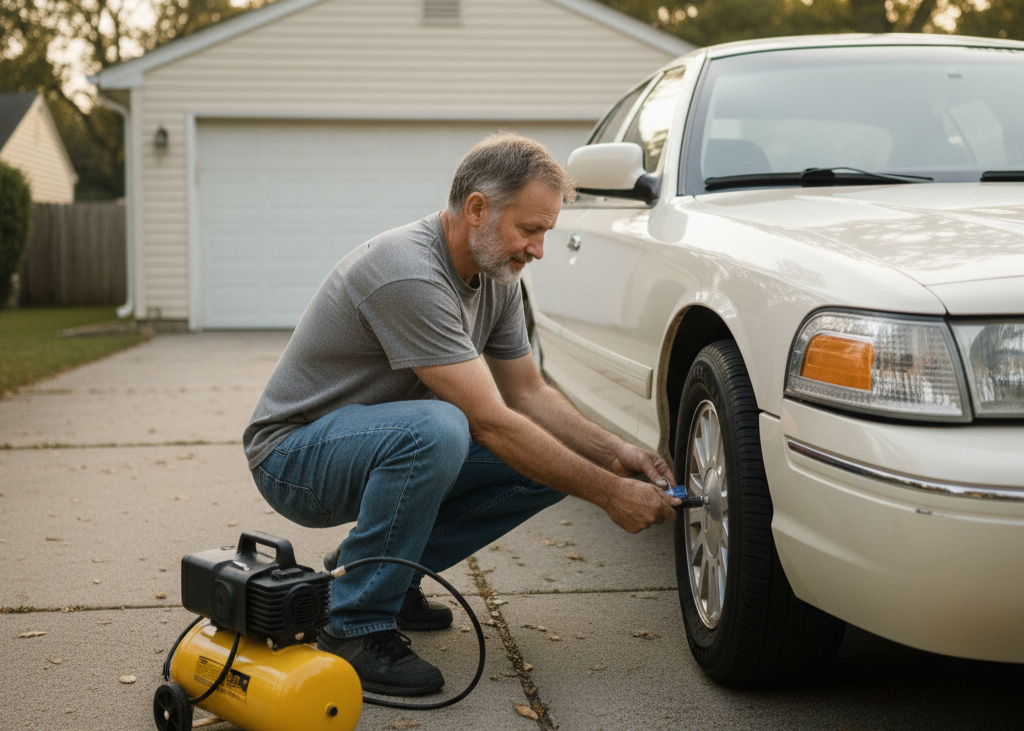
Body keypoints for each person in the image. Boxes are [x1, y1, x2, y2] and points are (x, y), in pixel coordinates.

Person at [242, 132, 681, 697]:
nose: (539, 249)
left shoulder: (495, 277)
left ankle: (380, 574)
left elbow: (529, 395)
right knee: (442, 427)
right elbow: (489, 421)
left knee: (550, 458)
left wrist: (617, 455)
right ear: (477, 208)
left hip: (373, 444)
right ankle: (352, 623)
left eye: (546, 232)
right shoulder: (407, 271)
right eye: (530, 229)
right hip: (292, 457)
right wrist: (608, 495)